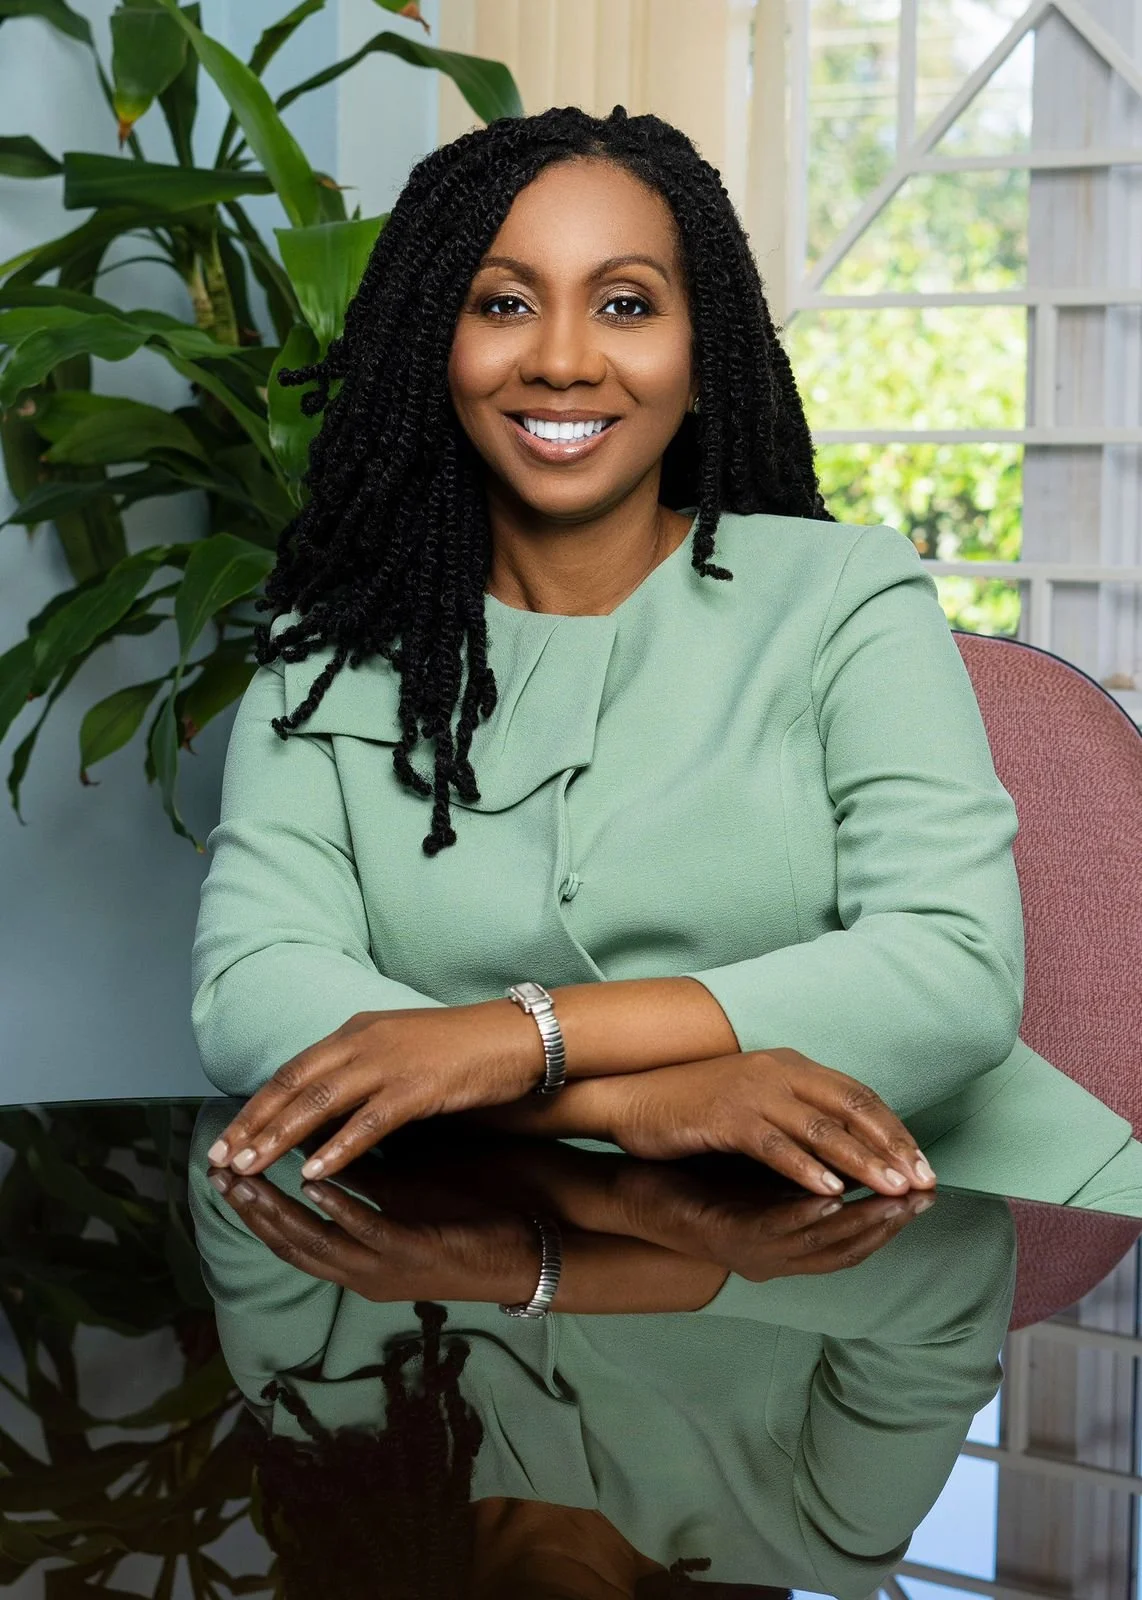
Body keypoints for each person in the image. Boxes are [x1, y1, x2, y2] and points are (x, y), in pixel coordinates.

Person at [192, 102, 1141, 1216]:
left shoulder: (846, 595)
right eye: (502, 304)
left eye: (626, 305)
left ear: (701, 359)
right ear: (431, 350)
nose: (560, 359)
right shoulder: (322, 662)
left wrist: (521, 1041)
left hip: (979, 1223)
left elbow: (951, 971)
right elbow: (250, 994)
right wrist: (627, 1106)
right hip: (528, 1242)